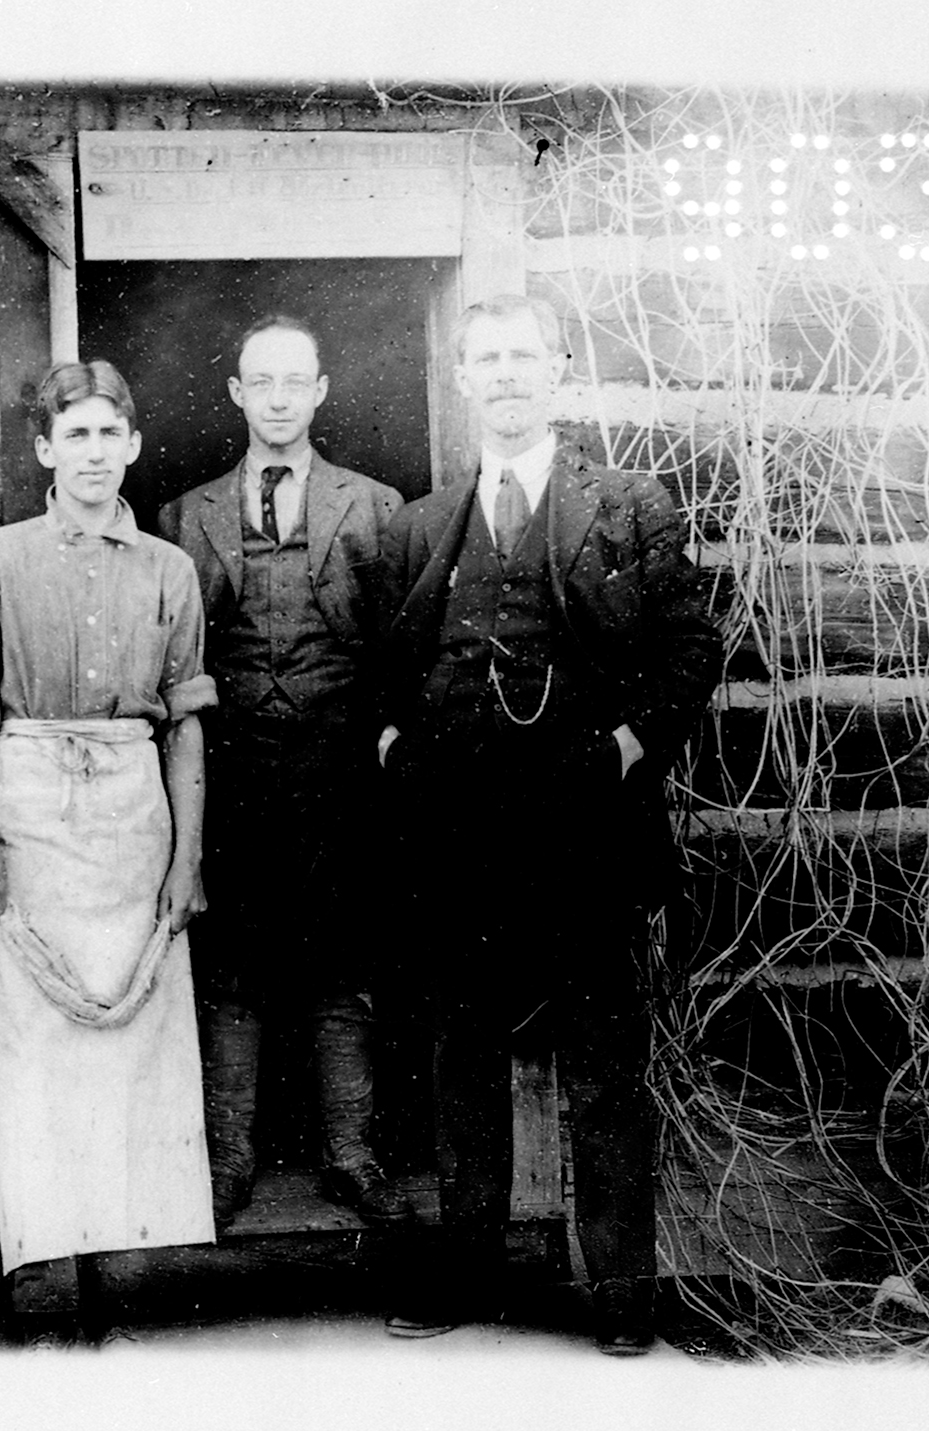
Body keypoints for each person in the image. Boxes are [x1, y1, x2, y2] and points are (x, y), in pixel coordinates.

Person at [373, 294, 721, 1353]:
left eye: (523, 357)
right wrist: (397, 745)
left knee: (605, 1065)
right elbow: (387, 667)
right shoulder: (420, 523)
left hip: (583, 831)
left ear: (556, 372)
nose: (506, 375)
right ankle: (467, 1275)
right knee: (458, 1057)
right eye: (486, 359)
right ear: (463, 378)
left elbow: (688, 653)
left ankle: (618, 1297)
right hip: (460, 834)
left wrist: (621, 749)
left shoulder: (626, 506)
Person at [0, 359, 217, 1341]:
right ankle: (47, 1284)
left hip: (134, 819)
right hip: (30, 814)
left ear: (131, 445)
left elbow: (183, 726)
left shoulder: (168, 571)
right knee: (38, 1057)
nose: (93, 454)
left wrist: (185, 861)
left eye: (109, 434)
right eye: (75, 436)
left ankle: (126, 1276)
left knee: (133, 1052)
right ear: (46, 450)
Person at [158, 315, 412, 1232]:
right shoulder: (186, 515)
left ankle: (352, 1155)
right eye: (258, 381)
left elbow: (401, 649)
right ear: (235, 393)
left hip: (340, 774)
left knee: (344, 968)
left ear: (319, 392)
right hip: (232, 775)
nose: (275, 397)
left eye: (292, 381)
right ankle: (229, 1161)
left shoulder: (377, 505)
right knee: (235, 969)